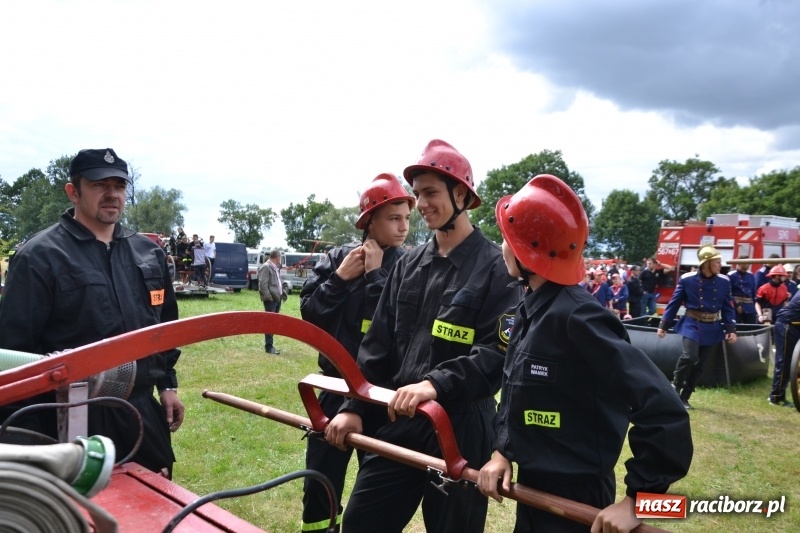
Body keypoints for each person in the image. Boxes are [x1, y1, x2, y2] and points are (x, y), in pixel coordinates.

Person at [476, 174, 692, 533]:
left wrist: (638, 502)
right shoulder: (531, 309)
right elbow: (517, 392)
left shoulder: (579, 317)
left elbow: (664, 409)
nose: (501, 246)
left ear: (526, 252)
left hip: (579, 500)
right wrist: (503, 452)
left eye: (506, 238)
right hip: (534, 491)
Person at [324, 139, 518, 533]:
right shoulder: (407, 264)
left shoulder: (497, 269)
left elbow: (496, 354)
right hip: (402, 420)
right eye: (418, 194)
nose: (422, 204)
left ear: (460, 194)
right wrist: (354, 408)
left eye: (431, 193)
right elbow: (377, 346)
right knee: (360, 524)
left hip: (462, 428)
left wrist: (435, 384)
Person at [0, 148, 184, 477]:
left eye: (120, 186)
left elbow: (165, 329)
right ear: (73, 191)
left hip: (141, 414)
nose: (112, 194)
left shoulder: (148, 253)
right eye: (100, 185)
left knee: (157, 499)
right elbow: (15, 348)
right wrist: (27, 439)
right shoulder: (39, 257)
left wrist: (167, 386)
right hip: (70, 417)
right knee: (78, 507)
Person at [299, 173, 414, 532]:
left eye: (407, 218)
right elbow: (309, 316)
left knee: (376, 488)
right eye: (394, 218)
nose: (404, 227)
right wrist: (339, 279)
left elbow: (398, 328)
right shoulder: (337, 258)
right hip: (335, 388)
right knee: (319, 483)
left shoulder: (410, 267)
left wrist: (377, 277)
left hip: (382, 396)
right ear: (369, 221)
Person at [657, 246, 737, 409]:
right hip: (692, 323)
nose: (720, 265)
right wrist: (664, 324)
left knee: (701, 364)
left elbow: (728, 307)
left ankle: (685, 397)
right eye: (717, 262)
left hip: (713, 326)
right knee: (690, 356)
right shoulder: (687, 279)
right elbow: (674, 302)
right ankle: (675, 386)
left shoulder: (724, 281)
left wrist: (731, 329)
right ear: (706, 263)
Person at [767, 289, 800, 407]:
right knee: (785, 362)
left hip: (795, 325)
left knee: (790, 363)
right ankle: (776, 397)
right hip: (787, 325)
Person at [258, 248, 285, 354]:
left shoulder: (274, 267)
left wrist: (282, 292)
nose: (280, 259)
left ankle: (271, 345)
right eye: (280, 257)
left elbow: (277, 282)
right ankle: (269, 347)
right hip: (271, 300)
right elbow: (262, 284)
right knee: (269, 323)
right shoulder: (266, 267)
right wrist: (269, 297)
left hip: (277, 299)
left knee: (273, 323)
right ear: (277, 257)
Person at [728, 256, 758, 324]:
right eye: (746, 263)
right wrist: (736, 305)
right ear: (739, 263)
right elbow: (728, 292)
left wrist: (754, 305)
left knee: (751, 326)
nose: (748, 265)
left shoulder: (751, 275)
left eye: (749, 263)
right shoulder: (731, 275)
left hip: (749, 306)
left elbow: (753, 292)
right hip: (736, 305)